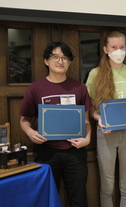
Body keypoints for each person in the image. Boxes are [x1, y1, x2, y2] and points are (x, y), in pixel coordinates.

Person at [19, 42, 92, 207]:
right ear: (46, 61)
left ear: (70, 62)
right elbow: (23, 120)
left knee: (79, 200)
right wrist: (31, 133)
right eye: (55, 57)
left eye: (65, 58)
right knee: (48, 200)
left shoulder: (79, 88)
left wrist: (87, 139)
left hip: (75, 152)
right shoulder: (35, 89)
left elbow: (86, 121)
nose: (61, 61)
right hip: (47, 152)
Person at [85, 31, 126, 207]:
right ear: (105, 49)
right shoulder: (95, 74)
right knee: (107, 187)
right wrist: (98, 118)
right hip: (106, 133)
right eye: (114, 47)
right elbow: (90, 107)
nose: (118, 51)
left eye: (122, 47)